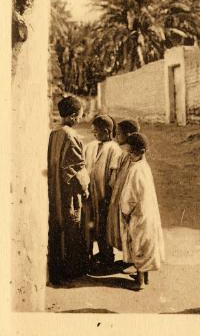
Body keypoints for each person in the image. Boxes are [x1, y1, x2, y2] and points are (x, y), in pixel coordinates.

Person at [48, 95, 90, 284]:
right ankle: (71, 270)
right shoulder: (72, 136)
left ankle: (59, 269)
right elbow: (76, 168)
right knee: (72, 226)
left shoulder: (54, 134)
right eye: (80, 115)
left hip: (55, 188)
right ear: (73, 116)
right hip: (69, 191)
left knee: (58, 226)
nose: (80, 119)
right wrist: (86, 188)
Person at [119, 133, 165, 290]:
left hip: (138, 214)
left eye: (131, 152)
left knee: (137, 244)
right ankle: (145, 278)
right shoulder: (145, 167)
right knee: (146, 244)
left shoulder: (135, 170)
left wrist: (125, 211)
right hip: (147, 212)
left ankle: (139, 282)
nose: (129, 155)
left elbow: (130, 195)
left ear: (140, 152)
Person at [85, 114, 122, 272]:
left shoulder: (114, 149)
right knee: (91, 225)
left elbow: (113, 174)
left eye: (96, 132)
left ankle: (107, 257)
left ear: (107, 132)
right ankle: (94, 255)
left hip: (104, 195)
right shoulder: (91, 146)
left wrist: (109, 193)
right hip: (90, 194)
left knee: (104, 227)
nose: (94, 135)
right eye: (92, 132)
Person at [107, 119, 140, 252]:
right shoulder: (128, 153)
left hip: (125, 194)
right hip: (121, 192)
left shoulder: (125, 154)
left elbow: (115, 178)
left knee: (127, 225)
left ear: (129, 135)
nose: (115, 137)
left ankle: (132, 258)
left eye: (119, 134)